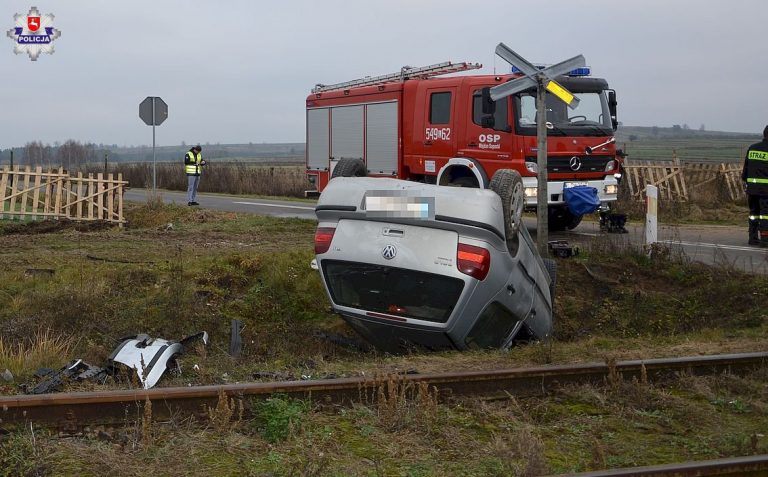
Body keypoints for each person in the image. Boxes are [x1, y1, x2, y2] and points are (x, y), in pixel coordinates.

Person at [742, 125, 768, 246]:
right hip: (766, 190)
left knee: (753, 214)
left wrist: (746, 181)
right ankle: (765, 239)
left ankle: (752, 238)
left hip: (752, 189)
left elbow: (745, 168)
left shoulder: (752, 148)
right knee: (765, 215)